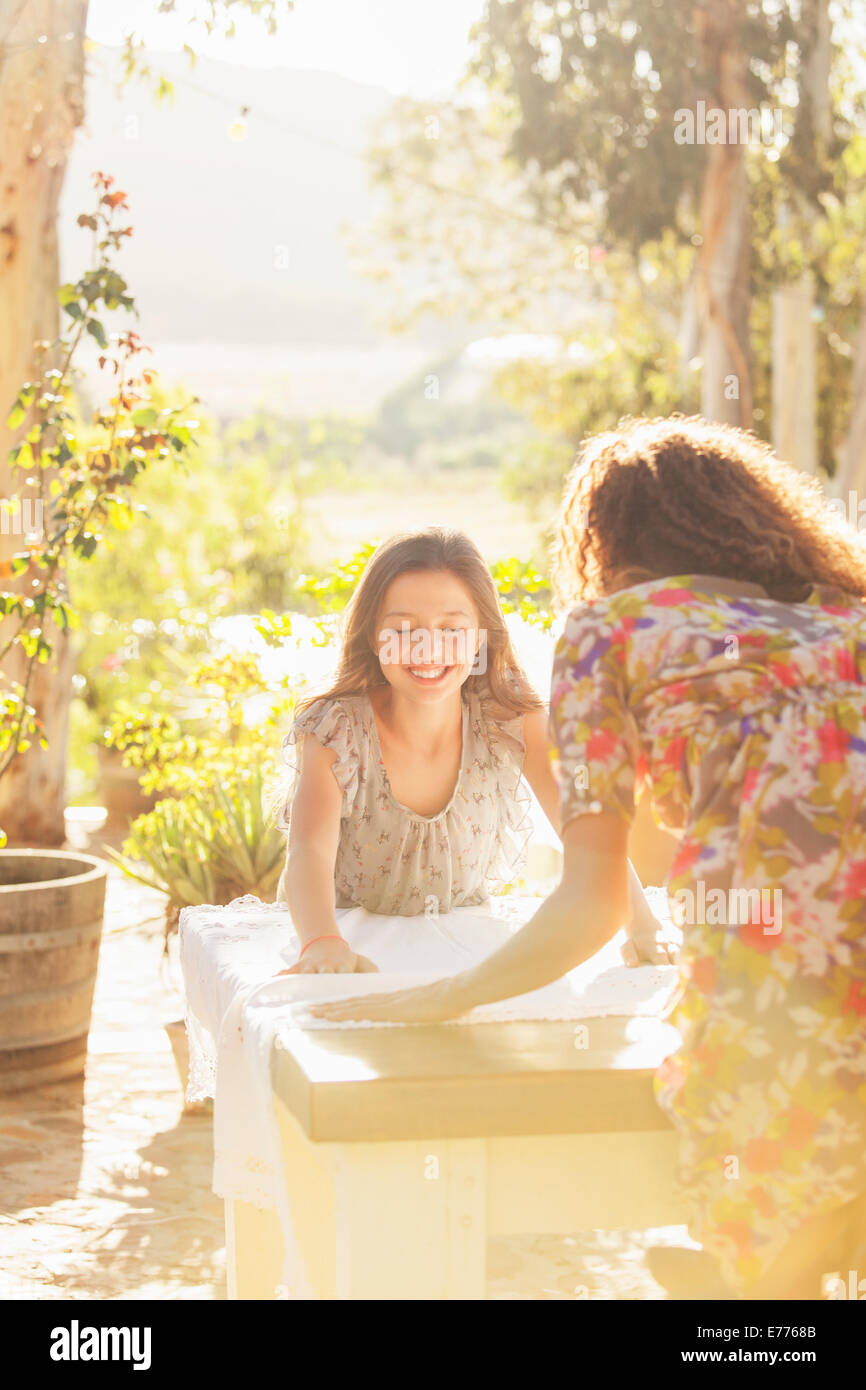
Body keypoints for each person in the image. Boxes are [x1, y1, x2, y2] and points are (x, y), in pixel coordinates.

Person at [311, 418, 866, 1302]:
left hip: (782, 992)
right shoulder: (847, 616)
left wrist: (444, 996)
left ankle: (758, 1284)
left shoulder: (614, 629)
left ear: (605, 542)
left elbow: (591, 900)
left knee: (761, 1228)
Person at [274, 526, 669, 977]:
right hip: (348, 943)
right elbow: (310, 850)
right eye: (403, 629)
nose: (428, 648)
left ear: (481, 636)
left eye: (451, 629)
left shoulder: (507, 717)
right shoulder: (335, 730)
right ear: (372, 636)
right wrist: (323, 944)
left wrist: (642, 926)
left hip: (461, 943)